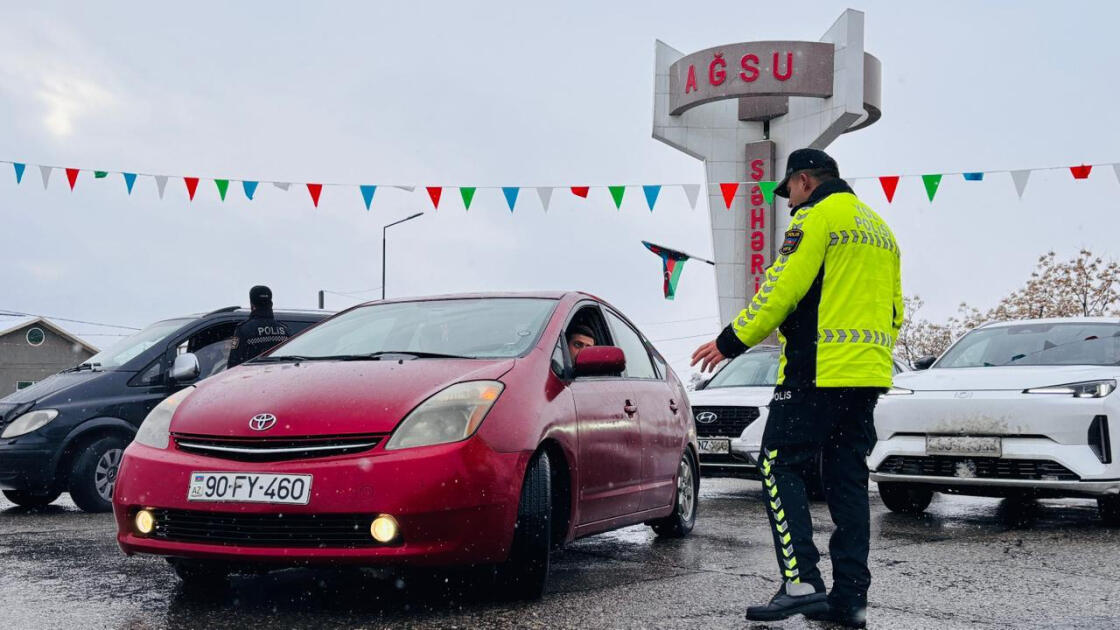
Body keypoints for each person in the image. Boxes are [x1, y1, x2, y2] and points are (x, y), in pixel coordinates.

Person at [691, 148, 903, 629]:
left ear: (805, 180)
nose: (789, 202)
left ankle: (801, 583)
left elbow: (779, 290)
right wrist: (869, 355)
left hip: (816, 370)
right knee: (847, 480)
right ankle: (850, 600)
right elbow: (896, 309)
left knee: (776, 462)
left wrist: (730, 342)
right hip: (867, 373)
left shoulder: (815, 218)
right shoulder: (880, 229)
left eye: (789, 191)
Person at [228, 285, 291, 368]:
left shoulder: (243, 330)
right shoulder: (284, 330)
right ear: (271, 304)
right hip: (278, 375)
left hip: (253, 375)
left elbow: (234, 363)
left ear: (252, 304)